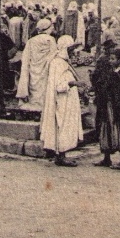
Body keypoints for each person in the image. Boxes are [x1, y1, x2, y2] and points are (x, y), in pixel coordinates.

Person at [40, 35, 84, 166]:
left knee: (64, 125)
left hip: (67, 100)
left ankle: (60, 155)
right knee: (62, 125)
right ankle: (62, 154)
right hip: (62, 101)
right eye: (70, 49)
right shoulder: (58, 63)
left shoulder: (62, 62)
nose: (72, 52)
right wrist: (74, 83)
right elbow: (59, 86)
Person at [15, 18, 58, 112]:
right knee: (44, 87)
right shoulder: (51, 40)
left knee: (33, 86)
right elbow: (54, 56)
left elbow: (25, 57)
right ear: (47, 28)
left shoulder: (31, 41)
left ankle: (33, 104)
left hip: (33, 69)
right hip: (45, 69)